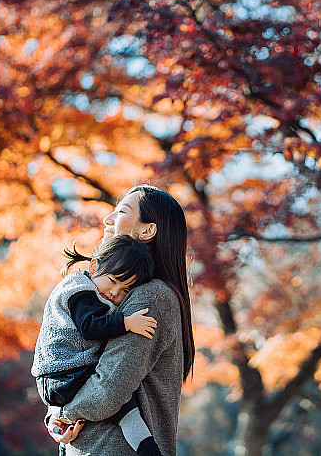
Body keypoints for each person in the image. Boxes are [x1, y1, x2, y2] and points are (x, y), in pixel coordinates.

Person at [45, 184, 195, 456]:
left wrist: (64, 412)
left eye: (122, 211)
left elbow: (108, 389)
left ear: (147, 230)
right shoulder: (106, 295)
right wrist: (55, 413)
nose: (107, 220)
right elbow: (75, 363)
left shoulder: (153, 296)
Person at [32, 234, 162, 456]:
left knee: (124, 408)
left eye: (124, 291)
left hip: (59, 378)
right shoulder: (80, 291)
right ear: (94, 266)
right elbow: (90, 327)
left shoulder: (92, 291)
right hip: (64, 373)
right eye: (112, 281)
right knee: (123, 403)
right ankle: (148, 449)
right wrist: (127, 322)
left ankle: (148, 448)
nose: (114, 292)